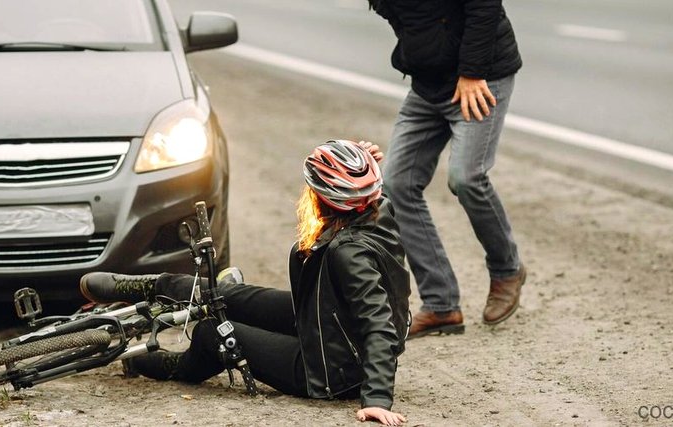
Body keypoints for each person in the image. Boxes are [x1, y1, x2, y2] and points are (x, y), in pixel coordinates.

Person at [79, 140, 412, 426]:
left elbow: (379, 324)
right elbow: (361, 189)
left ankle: (160, 363)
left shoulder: (349, 254)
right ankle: (147, 286)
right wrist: (355, 166)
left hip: (329, 368)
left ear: (324, 198)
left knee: (213, 331)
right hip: (324, 321)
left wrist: (378, 399)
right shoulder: (378, 208)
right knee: (224, 294)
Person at [368, 0, 527, 336]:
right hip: (428, 86)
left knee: (466, 178)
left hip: (479, 79)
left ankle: (507, 269)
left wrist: (471, 72)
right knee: (394, 184)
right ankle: (441, 304)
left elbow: (484, 8)